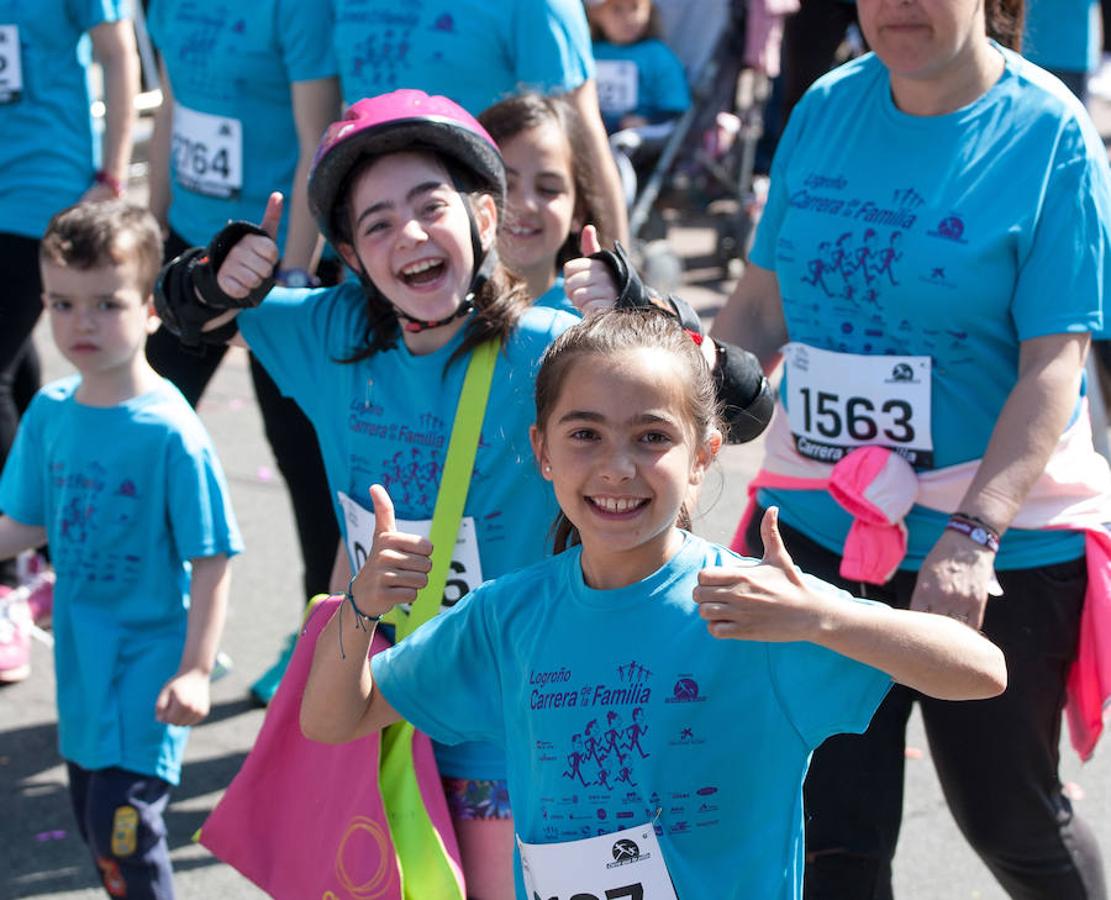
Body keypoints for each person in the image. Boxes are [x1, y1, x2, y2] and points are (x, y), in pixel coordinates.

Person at [152, 88, 775, 895]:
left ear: (485, 217)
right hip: (388, 708)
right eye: (374, 224)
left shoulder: (552, 347)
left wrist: (650, 312)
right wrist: (217, 274)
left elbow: (746, 403)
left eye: (429, 206)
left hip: (524, 718)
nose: (407, 234)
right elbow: (182, 316)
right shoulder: (330, 333)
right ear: (348, 253)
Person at [299, 309, 1007, 900]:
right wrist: (361, 610)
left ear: (703, 456)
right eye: (585, 435)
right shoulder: (508, 615)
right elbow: (336, 719)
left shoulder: (756, 605)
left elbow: (981, 672)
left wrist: (825, 616)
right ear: (542, 451)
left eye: (651, 438)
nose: (616, 467)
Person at [710, 1, 1111, 896]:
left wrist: (973, 537)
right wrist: (678, 401)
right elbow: (759, 310)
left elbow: (1055, 367)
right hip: (812, 533)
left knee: (1008, 820)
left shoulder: (1049, 132)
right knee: (832, 838)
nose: (897, 5)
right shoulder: (822, 105)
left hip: (993, 546)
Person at [0, 201, 242, 898]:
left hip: (150, 673)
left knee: (125, 835)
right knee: (95, 829)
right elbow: (25, 523)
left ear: (151, 310)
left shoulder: (171, 431)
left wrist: (196, 669)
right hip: (83, 671)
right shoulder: (48, 412)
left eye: (107, 303)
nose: (82, 322)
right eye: (64, 302)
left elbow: (212, 557)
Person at [142, 0, 342, 705]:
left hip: (279, 257)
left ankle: (317, 630)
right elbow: (171, 113)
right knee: (147, 430)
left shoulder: (296, 9)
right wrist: (150, 233)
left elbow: (316, 135)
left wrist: (286, 280)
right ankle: (173, 628)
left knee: (301, 458)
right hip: (190, 253)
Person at [0, 0, 138, 619]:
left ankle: (11, 569)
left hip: (42, 192)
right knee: (15, 365)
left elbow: (117, 53)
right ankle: (59, 537)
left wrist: (110, 178)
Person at [330, 0, 631, 245]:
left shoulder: (538, 6)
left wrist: (622, 287)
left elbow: (585, 141)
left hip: (499, 272)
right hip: (374, 265)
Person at [478, 92, 609, 313]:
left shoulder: (593, 312)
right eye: (506, 185)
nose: (524, 204)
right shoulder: (438, 310)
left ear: (578, 211)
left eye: (548, 189)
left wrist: (613, 318)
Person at [587, 0, 691, 207]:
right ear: (597, 15)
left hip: (642, 134)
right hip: (595, 128)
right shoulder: (590, 52)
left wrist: (646, 120)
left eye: (635, 8)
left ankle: (620, 210)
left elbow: (674, 104)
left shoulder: (657, 55)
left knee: (617, 149)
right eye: (617, 10)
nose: (629, 18)